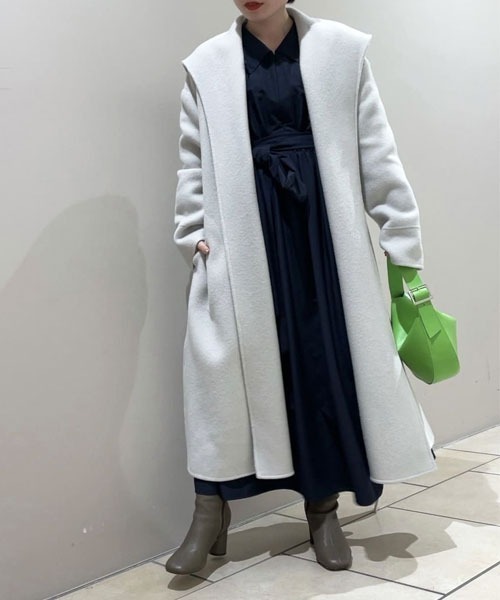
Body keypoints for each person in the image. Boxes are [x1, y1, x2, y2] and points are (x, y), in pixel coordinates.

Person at [167, 0, 436, 575]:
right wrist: (193, 233)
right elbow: (192, 158)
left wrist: (400, 234)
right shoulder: (206, 64)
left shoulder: (341, 50)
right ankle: (209, 511)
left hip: (321, 238)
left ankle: (322, 508)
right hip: (243, 236)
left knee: (320, 363)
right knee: (221, 373)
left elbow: (375, 148)